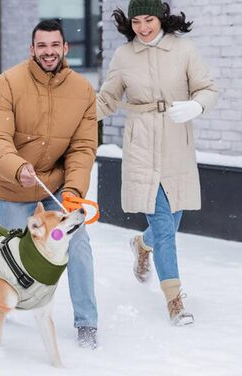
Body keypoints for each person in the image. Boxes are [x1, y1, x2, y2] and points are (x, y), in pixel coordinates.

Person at [97, 0, 218, 326]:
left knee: (171, 220)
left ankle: (141, 243)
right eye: (136, 22)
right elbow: (107, 100)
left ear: (161, 17)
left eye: (148, 19)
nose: (143, 28)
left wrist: (196, 107)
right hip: (141, 144)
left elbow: (208, 89)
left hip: (177, 143)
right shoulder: (124, 56)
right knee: (164, 224)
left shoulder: (184, 49)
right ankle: (174, 299)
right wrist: (73, 114)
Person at [0, 19, 98, 348]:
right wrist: (17, 168)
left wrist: (73, 191)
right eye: (41, 46)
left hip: (57, 188)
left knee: (77, 245)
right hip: (12, 185)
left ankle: (87, 324)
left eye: (54, 45)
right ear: (32, 49)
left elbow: (82, 148)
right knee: (21, 258)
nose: (49, 52)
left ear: (65, 48)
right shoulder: (8, 83)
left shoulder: (83, 91)